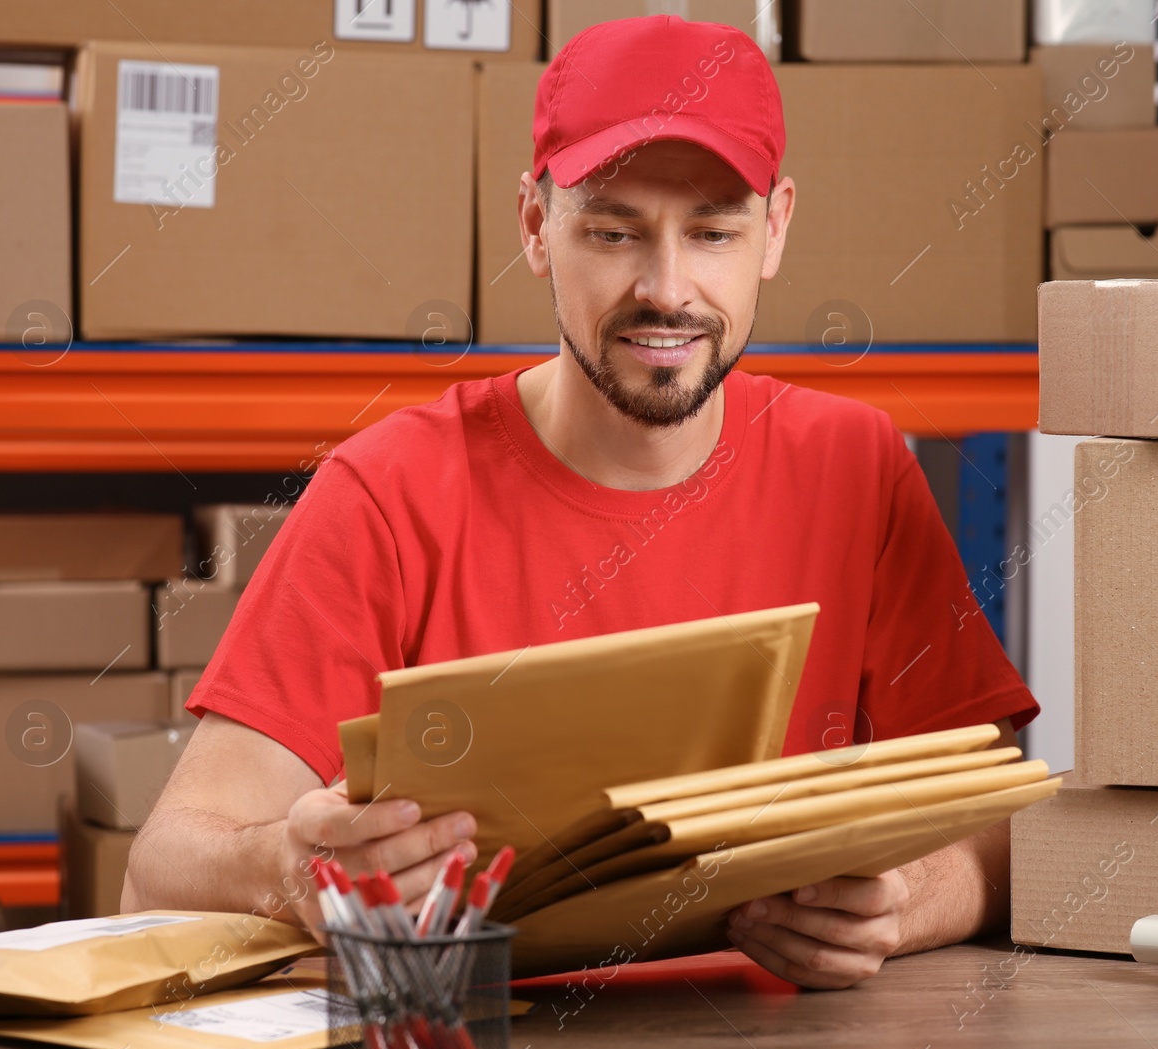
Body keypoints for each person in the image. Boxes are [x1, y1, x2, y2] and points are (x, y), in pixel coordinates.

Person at [124, 14, 1039, 991]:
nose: (666, 288)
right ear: (533, 224)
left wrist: (909, 898)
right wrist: (286, 868)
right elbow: (157, 872)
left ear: (773, 230)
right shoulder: (390, 492)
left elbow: (1009, 829)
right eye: (613, 230)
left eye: (713, 232)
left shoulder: (856, 470)